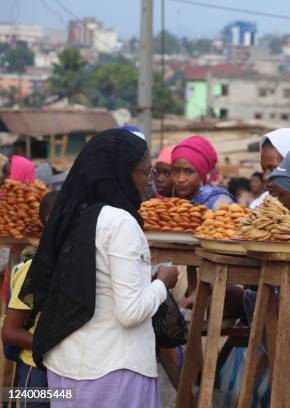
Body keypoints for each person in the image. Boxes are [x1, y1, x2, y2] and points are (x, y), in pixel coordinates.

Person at [18, 128, 179, 407]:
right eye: (146, 172)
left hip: (65, 366)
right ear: (123, 173)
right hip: (113, 370)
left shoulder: (73, 215)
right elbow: (130, 312)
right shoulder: (120, 222)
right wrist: (162, 283)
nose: (149, 182)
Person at [1, 191, 58, 407]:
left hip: (59, 370)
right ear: (52, 220)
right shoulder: (34, 270)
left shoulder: (69, 264)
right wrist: (53, 347)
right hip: (35, 371)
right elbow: (10, 331)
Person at [171, 136, 232, 209]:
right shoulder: (171, 203)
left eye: (189, 171)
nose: (181, 179)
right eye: (176, 171)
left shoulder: (219, 203)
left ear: (201, 174)